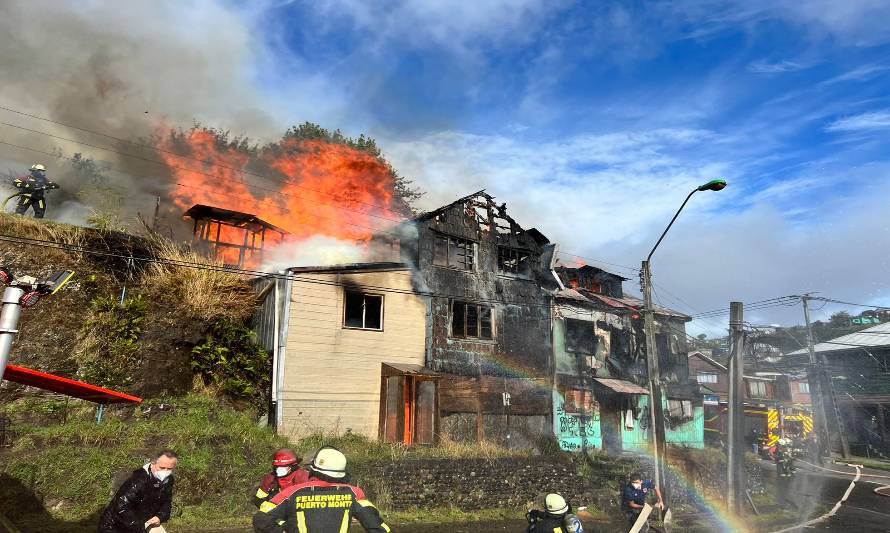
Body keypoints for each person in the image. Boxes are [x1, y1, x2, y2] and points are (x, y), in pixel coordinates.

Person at [252, 446, 390, 533]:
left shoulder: (292, 493)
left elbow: (261, 519)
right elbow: (379, 527)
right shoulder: (354, 493)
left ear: (313, 469)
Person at [98, 449, 177, 533]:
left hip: (145, 521)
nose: (165, 472)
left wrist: (160, 517)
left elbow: (167, 502)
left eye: (169, 469)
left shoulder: (168, 480)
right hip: (115, 525)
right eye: (161, 467)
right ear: (153, 463)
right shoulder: (138, 481)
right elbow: (121, 508)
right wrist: (140, 527)